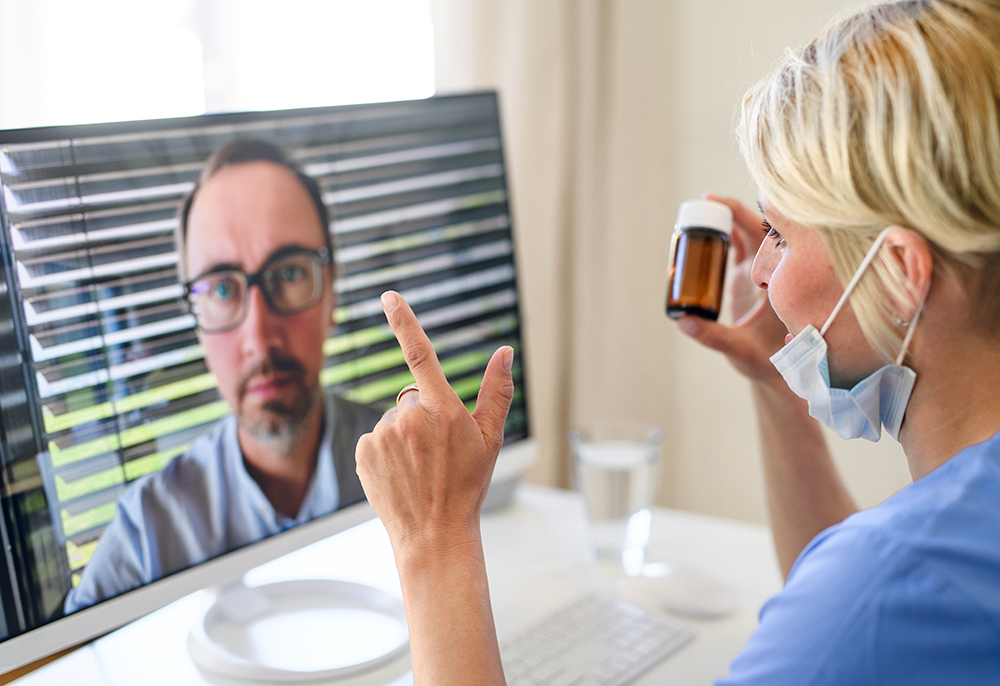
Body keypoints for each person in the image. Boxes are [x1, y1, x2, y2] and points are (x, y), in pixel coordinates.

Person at [356, 1, 1000, 684]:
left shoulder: (881, 586)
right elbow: (863, 622)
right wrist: (773, 385)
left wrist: (435, 539)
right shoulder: (933, 564)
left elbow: (858, 612)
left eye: (778, 236)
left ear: (900, 276)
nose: (760, 272)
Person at [65, 140, 381, 615]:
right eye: (220, 288)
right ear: (196, 319)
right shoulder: (146, 537)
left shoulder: (420, 470)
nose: (258, 335)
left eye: (290, 272)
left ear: (331, 291)